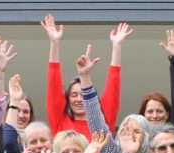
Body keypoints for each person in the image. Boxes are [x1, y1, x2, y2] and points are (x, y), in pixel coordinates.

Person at [42, 14, 128, 142]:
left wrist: (117, 46)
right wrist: (54, 43)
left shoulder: (103, 121)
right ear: (67, 99)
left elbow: (113, 89)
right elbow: (53, 86)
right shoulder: (59, 120)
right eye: (74, 95)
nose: (79, 99)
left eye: (83, 95)